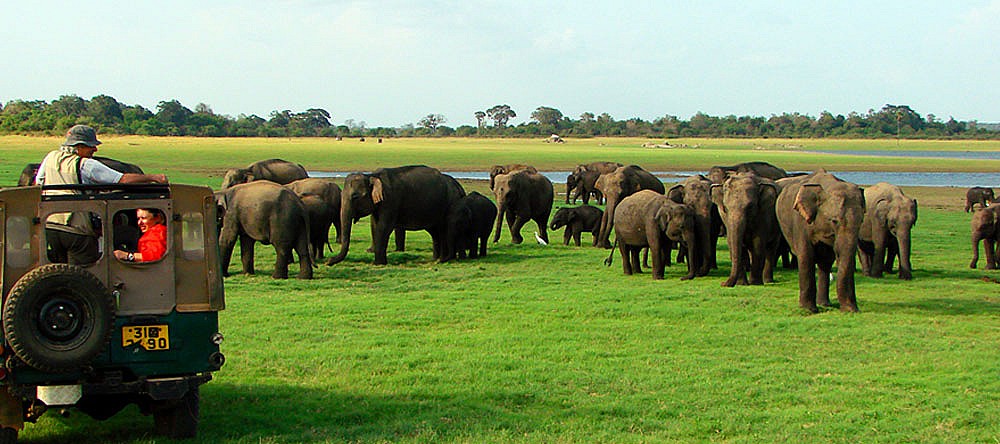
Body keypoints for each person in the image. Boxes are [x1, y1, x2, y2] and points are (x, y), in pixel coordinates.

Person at [36, 124, 168, 264]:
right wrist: (153, 178)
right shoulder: (86, 165)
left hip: (50, 226)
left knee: (60, 270)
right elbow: (122, 180)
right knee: (85, 273)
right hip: (77, 230)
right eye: (90, 146)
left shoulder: (50, 157)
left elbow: (38, 183)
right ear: (78, 146)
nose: (95, 149)